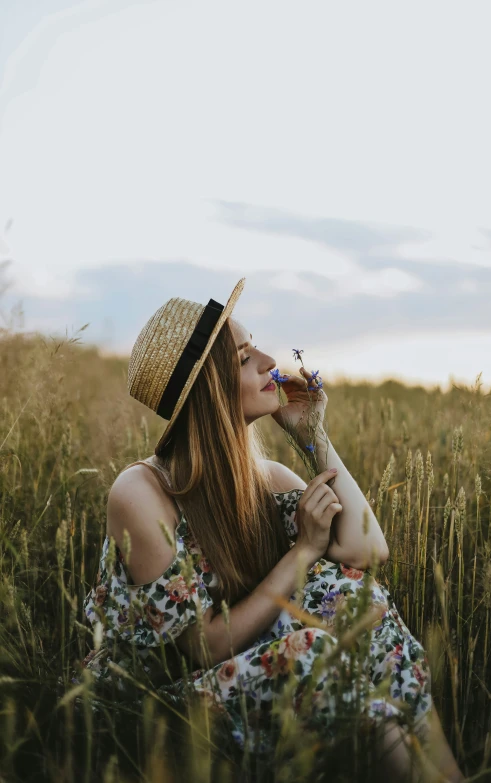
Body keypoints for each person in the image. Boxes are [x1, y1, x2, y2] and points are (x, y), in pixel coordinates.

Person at [78, 278, 464, 781]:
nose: (267, 361)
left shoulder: (264, 480)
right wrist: (301, 553)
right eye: (242, 358)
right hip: (155, 711)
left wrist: (313, 437)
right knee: (315, 652)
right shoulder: (143, 491)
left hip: (242, 674)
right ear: (209, 391)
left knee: (355, 602)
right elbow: (198, 648)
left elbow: (367, 550)